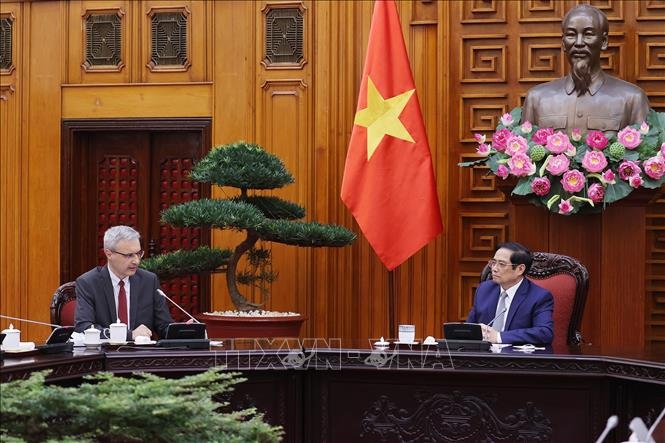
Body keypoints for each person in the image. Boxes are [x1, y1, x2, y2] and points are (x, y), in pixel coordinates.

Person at [522, 4, 649, 135]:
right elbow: (521, 152)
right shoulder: (536, 98)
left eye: (588, 35)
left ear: (604, 41)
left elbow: (645, 151)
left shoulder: (632, 99)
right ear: (563, 42)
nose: (578, 43)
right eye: (571, 35)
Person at [74, 225, 173, 340]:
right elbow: (84, 327)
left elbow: (164, 326)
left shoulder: (149, 281)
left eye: (139, 253)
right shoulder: (88, 283)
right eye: (129, 255)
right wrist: (129, 335)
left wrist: (184, 331)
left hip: (141, 355)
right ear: (109, 254)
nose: (136, 261)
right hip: (105, 354)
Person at [467, 242, 553, 344]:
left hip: (516, 357)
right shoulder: (484, 290)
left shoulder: (539, 297)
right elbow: (469, 327)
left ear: (520, 269)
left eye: (502, 264)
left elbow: (544, 333)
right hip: (482, 356)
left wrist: (499, 337)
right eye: (493, 262)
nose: (494, 269)